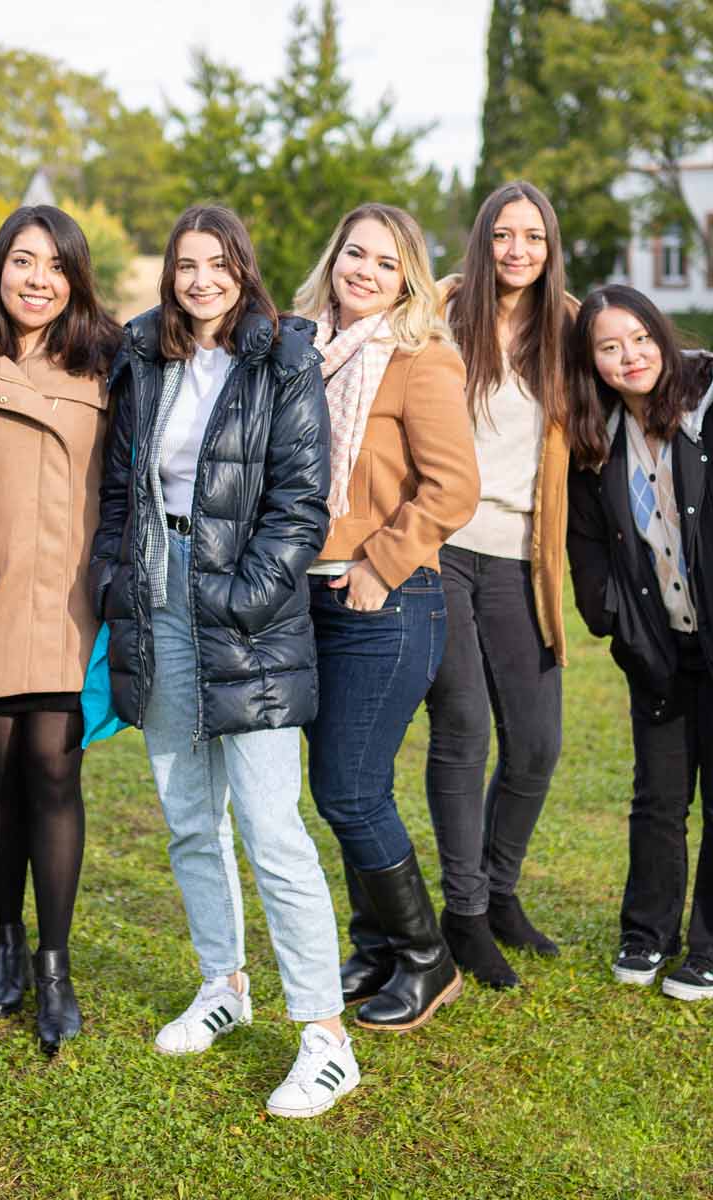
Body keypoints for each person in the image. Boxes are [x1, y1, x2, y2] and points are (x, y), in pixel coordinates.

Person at [91, 204, 357, 1117]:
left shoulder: (284, 358)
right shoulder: (145, 356)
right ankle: (224, 985)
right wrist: (118, 578)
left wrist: (241, 600)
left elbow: (301, 501)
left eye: (217, 263)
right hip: (157, 597)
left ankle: (325, 1036)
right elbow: (121, 487)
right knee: (188, 817)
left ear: (243, 269)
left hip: (249, 614)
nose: (201, 280)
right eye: (185, 265)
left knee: (272, 828)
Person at [565, 285, 713, 1001]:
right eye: (609, 347)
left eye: (640, 338)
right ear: (591, 361)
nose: (629, 357)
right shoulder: (597, 435)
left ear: (661, 334)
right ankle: (647, 933)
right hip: (659, 647)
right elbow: (587, 541)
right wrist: (611, 616)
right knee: (657, 799)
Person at [291, 203, 478, 1030]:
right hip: (307, 600)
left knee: (349, 788)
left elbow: (454, 487)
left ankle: (428, 959)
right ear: (333, 258)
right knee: (343, 785)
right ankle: (374, 948)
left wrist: (381, 563)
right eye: (354, 253)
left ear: (407, 279)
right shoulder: (303, 350)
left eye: (386, 261)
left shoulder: (422, 357)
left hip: (387, 601)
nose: (364, 271)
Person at [0, 205, 123, 1048]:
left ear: (76, 278)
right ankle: (7, 941)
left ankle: (54, 967)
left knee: (54, 769)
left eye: (56, 266)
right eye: (23, 260)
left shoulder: (110, 357)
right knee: (0, 771)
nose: (38, 280)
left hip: (69, 593)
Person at [423, 180, 577, 988]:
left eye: (534, 237)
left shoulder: (569, 327)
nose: (518, 250)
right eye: (503, 235)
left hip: (524, 556)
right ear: (482, 241)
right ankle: (465, 911)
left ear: (550, 249)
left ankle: (500, 890)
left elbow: (638, 368)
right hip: (442, 547)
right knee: (463, 727)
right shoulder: (438, 314)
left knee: (538, 743)